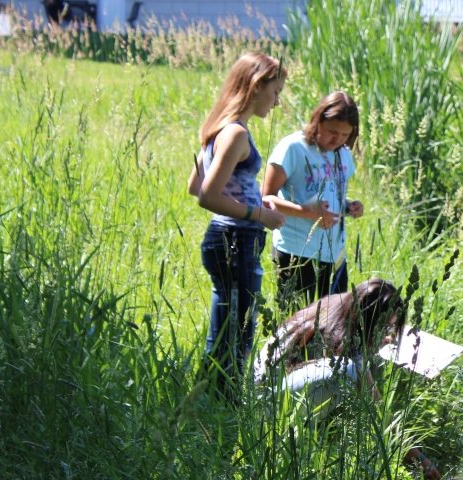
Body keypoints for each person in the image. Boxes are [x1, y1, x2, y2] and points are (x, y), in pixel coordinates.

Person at [254, 279, 440, 480]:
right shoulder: (341, 335)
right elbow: (379, 414)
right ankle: (306, 442)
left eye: (391, 329)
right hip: (267, 406)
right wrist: (421, 460)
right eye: (384, 328)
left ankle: (317, 436)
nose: (388, 336)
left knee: (357, 371)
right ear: (367, 321)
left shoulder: (339, 307)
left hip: (285, 389)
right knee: (349, 372)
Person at [186, 53, 288, 401]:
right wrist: (258, 215)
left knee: (228, 327)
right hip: (235, 239)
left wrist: (257, 204)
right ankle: (224, 404)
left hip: (227, 236)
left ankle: (207, 400)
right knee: (239, 332)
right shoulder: (235, 133)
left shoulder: (221, 127)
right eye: (275, 91)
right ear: (256, 86)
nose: (277, 101)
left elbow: (194, 184)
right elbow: (206, 197)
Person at [262, 92, 364, 311]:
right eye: (332, 131)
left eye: (345, 134)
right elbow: (265, 198)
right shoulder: (292, 148)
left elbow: (330, 194)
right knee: (297, 320)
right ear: (317, 120)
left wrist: (348, 206)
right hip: (296, 251)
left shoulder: (342, 154)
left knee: (334, 321)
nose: (337, 139)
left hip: (333, 253)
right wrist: (308, 212)